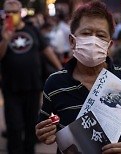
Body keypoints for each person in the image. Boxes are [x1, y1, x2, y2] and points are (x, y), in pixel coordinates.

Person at [35, 1, 121, 154]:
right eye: (86, 33)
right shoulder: (55, 82)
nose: (93, 41)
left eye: (101, 35)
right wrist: (43, 133)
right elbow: (44, 125)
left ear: (109, 46)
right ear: (72, 41)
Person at [0, 0, 63, 154]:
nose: (11, 15)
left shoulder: (32, 29)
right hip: (11, 87)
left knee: (31, 124)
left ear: (20, 13)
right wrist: (6, 38)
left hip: (33, 85)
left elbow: (46, 50)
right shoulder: (1, 32)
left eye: (15, 12)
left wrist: (60, 69)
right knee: (14, 125)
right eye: (8, 12)